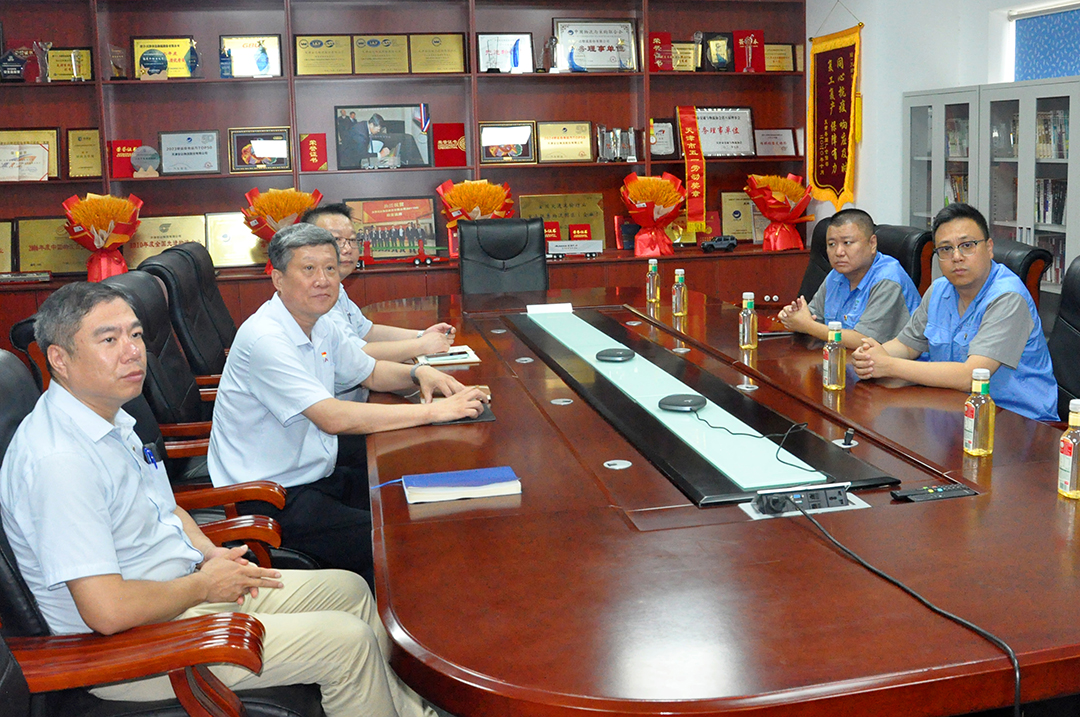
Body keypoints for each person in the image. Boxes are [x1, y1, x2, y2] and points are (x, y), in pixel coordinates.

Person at [0, 281, 437, 717]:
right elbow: (106, 611)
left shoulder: (109, 418)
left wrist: (211, 556)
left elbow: (167, 508)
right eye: (109, 340)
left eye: (135, 334)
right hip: (131, 647)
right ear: (59, 359)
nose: (133, 351)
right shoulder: (61, 461)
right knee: (347, 643)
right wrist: (204, 585)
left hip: (180, 593)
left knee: (351, 590)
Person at [208, 223, 487, 584]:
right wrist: (435, 411)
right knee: (400, 536)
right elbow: (333, 417)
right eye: (309, 269)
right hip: (272, 497)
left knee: (416, 496)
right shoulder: (266, 338)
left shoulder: (319, 322)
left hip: (316, 470)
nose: (323, 280)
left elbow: (370, 373)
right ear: (278, 278)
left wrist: (419, 374)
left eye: (330, 268)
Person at [851, 203, 1058, 422]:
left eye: (967, 245)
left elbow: (972, 377)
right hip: (954, 408)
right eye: (946, 249)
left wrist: (889, 365)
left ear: (989, 248)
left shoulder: (1008, 298)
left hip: (1017, 421)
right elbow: (907, 345)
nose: (956, 256)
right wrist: (871, 356)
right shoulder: (939, 290)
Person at [302, 203, 455, 363]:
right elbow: (355, 353)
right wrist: (421, 345)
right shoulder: (316, 295)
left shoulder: (336, 287)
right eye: (336, 240)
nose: (347, 249)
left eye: (352, 240)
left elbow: (367, 332)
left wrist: (422, 335)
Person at [777, 208, 921, 349]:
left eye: (847, 243)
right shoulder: (836, 275)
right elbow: (813, 317)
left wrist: (808, 326)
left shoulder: (888, 280)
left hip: (885, 363)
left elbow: (864, 341)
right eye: (831, 244)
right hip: (840, 358)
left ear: (872, 244)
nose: (838, 252)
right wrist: (793, 315)